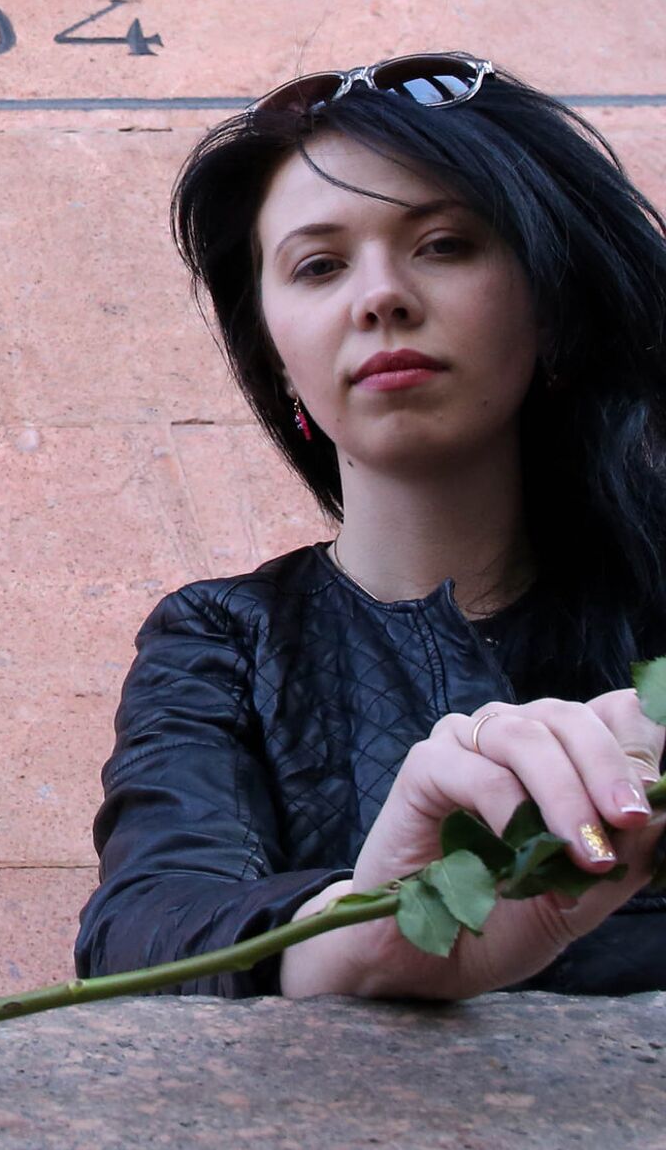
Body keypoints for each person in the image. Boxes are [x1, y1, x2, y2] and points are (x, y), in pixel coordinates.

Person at [73, 51, 666, 998]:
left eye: (444, 244)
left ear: (548, 302)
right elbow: (148, 927)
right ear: (275, 355)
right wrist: (371, 930)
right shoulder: (224, 638)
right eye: (319, 265)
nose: (379, 296)